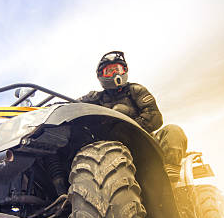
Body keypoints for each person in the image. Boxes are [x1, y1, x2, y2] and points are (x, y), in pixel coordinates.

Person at [78, 51, 187, 181]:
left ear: (124, 70)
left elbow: (155, 117)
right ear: (101, 76)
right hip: (111, 149)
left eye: (117, 69)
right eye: (109, 71)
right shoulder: (96, 97)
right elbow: (73, 105)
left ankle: (170, 175)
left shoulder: (135, 90)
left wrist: (129, 126)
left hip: (145, 142)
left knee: (173, 130)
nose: (115, 74)